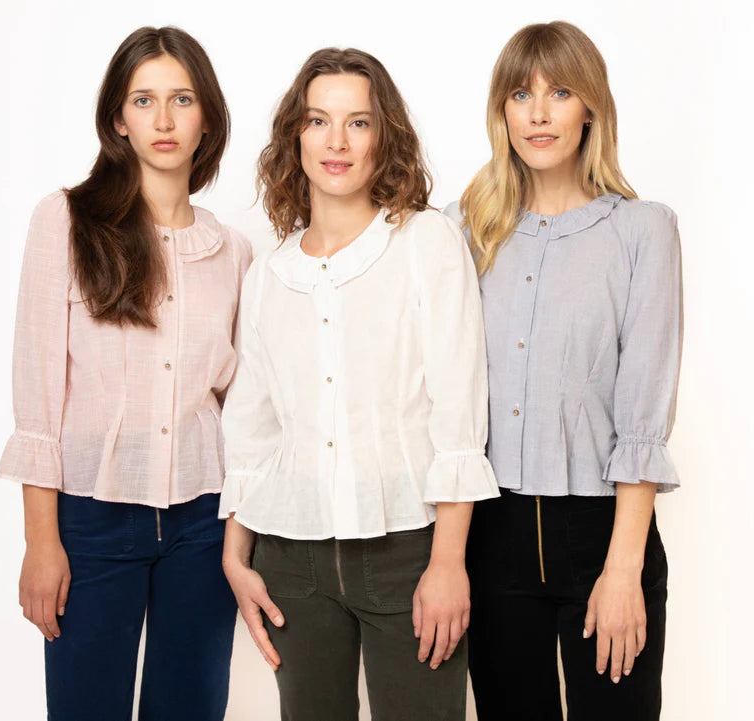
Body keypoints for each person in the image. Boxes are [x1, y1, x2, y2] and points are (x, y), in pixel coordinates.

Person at [219, 47, 499, 721]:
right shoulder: (268, 276)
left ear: (384, 136)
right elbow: (253, 431)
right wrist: (235, 557)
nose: (336, 142)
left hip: (408, 553)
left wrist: (448, 562)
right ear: (296, 137)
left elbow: (458, 412)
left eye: (358, 122)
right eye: (318, 121)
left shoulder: (426, 242)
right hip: (291, 559)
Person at [0, 26, 249, 721]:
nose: (163, 119)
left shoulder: (233, 252)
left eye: (182, 99)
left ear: (207, 119)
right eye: (144, 100)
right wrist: (41, 541)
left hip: (203, 523)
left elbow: (241, 406)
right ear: (118, 118)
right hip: (91, 517)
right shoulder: (66, 221)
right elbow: (37, 393)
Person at [446, 20, 683, 721]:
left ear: (591, 108)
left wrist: (623, 569)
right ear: (502, 112)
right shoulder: (464, 229)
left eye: (559, 92)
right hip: (492, 535)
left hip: (605, 534)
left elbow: (643, 407)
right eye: (521, 94)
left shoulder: (642, 229)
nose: (539, 113)